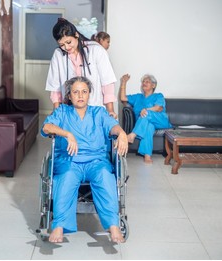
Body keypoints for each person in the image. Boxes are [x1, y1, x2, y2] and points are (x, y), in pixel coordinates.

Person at [41, 76, 128, 243]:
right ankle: (58, 226)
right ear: (69, 95)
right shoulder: (62, 112)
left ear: (89, 94)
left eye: (84, 91)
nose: (80, 95)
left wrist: (122, 133)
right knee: (66, 178)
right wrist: (67, 134)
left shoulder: (99, 112)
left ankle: (113, 225)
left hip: (96, 161)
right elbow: (46, 127)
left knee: (105, 175)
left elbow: (112, 126)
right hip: (69, 161)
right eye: (75, 92)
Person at [45, 18, 117, 119]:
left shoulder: (96, 50)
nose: (66, 47)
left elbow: (107, 82)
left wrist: (110, 110)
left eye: (69, 42)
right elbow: (55, 86)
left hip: (94, 107)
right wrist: (57, 112)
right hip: (69, 110)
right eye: (62, 45)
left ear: (76, 35)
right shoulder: (58, 54)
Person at [120, 73, 172, 163]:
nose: (144, 83)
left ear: (153, 85)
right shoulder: (138, 97)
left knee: (146, 113)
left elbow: (158, 108)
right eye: (143, 81)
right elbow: (123, 98)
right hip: (145, 124)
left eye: (147, 81)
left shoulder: (158, 95)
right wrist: (124, 82)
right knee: (149, 127)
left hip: (160, 120)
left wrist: (146, 109)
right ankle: (147, 155)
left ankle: (132, 135)